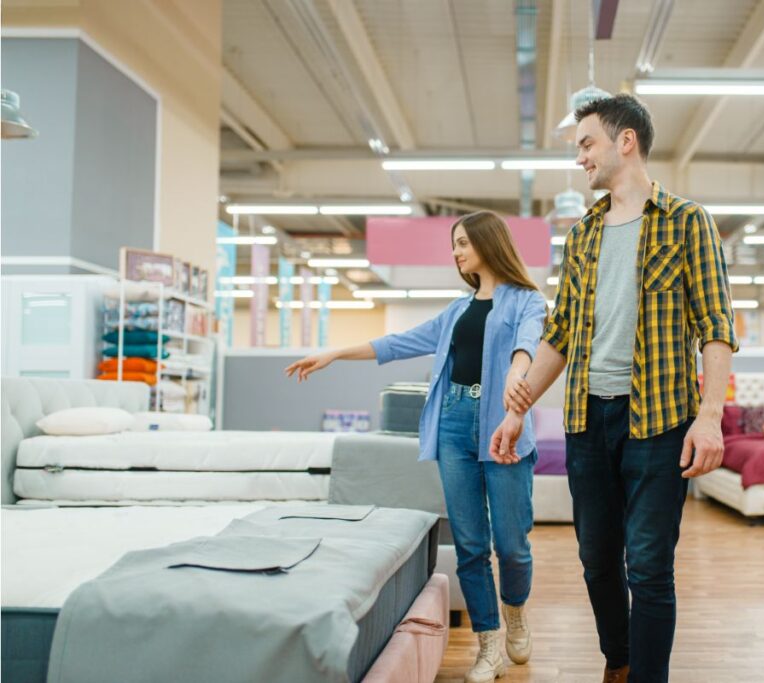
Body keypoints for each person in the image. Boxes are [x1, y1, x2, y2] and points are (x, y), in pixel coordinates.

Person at [491, 93, 738, 683]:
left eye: (586, 143)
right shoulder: (582, 237)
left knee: (649, 566)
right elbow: (560, 334)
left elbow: (715, 326)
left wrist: (709, 418)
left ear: (625, 141)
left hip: (658, 422)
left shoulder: (687, 221)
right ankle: (619, 662)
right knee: (597, 561)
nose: (580, 157)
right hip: (587, 420)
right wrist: (517, 408)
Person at [286, 211, 547, 683]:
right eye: (455, 244)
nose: (457, 252)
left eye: (464, 242)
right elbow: (399, 343)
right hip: (453, 425)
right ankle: (488, 647)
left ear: (489, 243)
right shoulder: (456, 311)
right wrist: (335, 353)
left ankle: (516, 613)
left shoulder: (527, 301)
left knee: (511, 545)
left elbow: (528, 344)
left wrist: (516, 372)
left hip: (502, 429)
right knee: (469, 544)